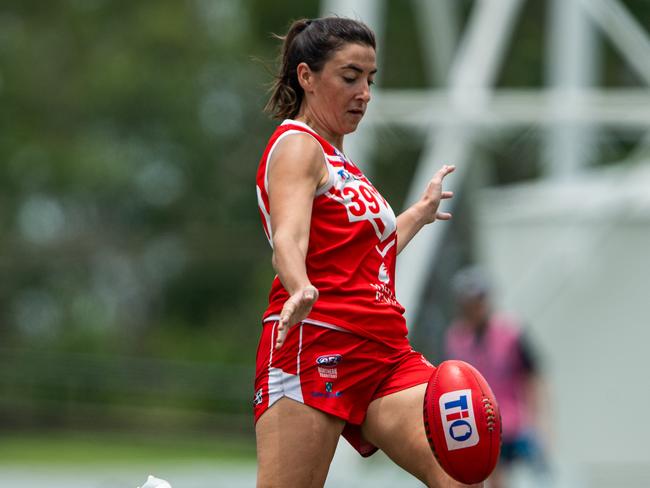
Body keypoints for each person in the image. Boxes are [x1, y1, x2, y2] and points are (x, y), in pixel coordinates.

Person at [253, 16, 476, 488]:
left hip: (384, 351)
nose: (365, 93)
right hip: (317, 341)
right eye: (350, 77)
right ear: (306, 77)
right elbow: (289, 237)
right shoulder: (298, 146)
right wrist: (299, 286)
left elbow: (368, 252)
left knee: (461, 472)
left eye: (370, 80)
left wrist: (417, 212)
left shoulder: (343, 164)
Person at [444, 267, 549, 488]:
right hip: (475, 425)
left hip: (513, 423)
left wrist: (540, 425)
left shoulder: (510, 331)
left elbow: (533, 377)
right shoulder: (455, 338)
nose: (476, 307)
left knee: (534, 476)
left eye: (479, 300)